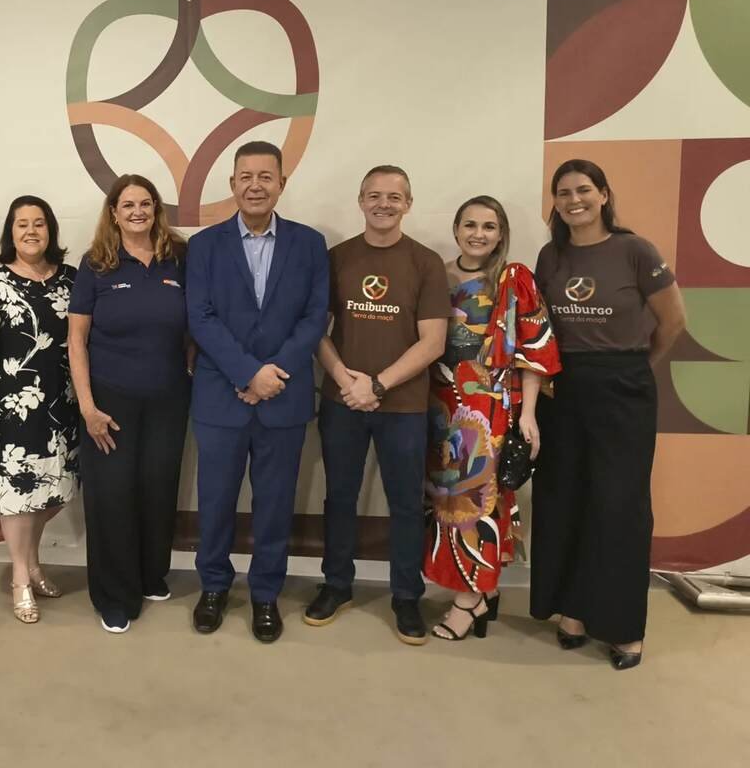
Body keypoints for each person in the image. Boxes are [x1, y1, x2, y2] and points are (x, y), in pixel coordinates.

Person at [531, 159, 686, 671]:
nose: (573, 200)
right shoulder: (550, 256)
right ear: (555, 202)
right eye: (563, 192)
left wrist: (635, 368)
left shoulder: (635, 250)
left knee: (619, 506)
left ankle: (623, 628)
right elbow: (538, 327)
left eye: (583, 190)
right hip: (563, 388)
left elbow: (673, 320)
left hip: (623, 388)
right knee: (566, 498)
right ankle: (573, 611)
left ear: (603, 195)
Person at [186, 141, 329, 644]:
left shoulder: (309, 244)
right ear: (232, 184)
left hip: (283, 398)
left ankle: (266, 593)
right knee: (215, 501)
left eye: (265, 176)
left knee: (274, 504)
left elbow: (314, 317)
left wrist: (271, 375)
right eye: (245, 176)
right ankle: (213, 586)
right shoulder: (204, 246)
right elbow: (200, 317)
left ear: (282, 184)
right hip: (220, 397)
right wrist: (248, 374)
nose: (255, 186)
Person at [308, 165, 449, 646]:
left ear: (408, 203)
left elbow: (433, 342)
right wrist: (345, 379)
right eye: (374, 195)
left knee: (405, 503)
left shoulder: (426, 262)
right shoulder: (336, 258)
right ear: (360, 200)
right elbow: (316, 331)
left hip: (403, 406)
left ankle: (406, 595)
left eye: (393, 196)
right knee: (339, 497)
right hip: (342, 400)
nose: (383, 204)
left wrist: (378, 385)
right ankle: (336, 585)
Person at [424, 197, 561, 640]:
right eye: (469, 225)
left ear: (501, 233)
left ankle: (469, 601)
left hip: (490, 409)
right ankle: (484, 591)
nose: (478, 234)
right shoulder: (437, 273)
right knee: (444, 503)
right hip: (439, 404)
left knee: (476, 503)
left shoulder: (513, 279)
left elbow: (535, 348)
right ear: (456, 229)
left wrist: (529, 414)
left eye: (488, 226)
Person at [68, 174, 191, 634]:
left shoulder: (179, 258)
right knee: (113, 497)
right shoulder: (96, 264)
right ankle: (114, 596)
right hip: (109, 402)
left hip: (168, 399)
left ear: (156, 209)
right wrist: (87, 407)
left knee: (158, 489)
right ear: (114, 213)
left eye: (146, 203)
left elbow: (196, 322)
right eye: (128, 205)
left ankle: (149, 575)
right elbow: (76, 341)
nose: (138, 211)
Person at [0, 195, 79, 624]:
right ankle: (21, 578)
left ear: (50, 230)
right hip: (11, 412)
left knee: (51, 493)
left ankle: (33, 562)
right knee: (17, 500)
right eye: (22, 224)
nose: (31, 231)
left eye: (39, 223)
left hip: (62, 411)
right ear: (11, 232)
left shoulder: (71, 280)